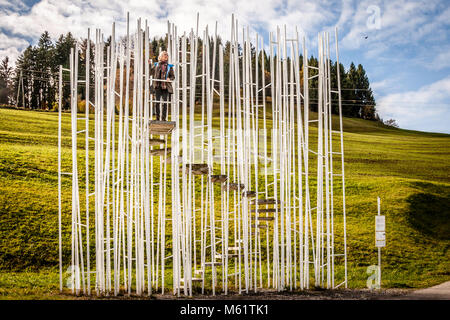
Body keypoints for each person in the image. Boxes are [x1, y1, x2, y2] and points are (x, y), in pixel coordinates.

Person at [150, 51, 175, 121]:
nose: (166, 56)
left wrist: (169, 78)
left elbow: (173, 76)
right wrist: (149, 65)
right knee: (157, 102)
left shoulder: (169, 67)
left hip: (165, 87)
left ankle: (163, 118)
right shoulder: (156, 65)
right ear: (160, 57)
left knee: (165, 103)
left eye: (167, 55)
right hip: (157, 86)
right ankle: (157, 118)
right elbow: (150, 72)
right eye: (164, 55)